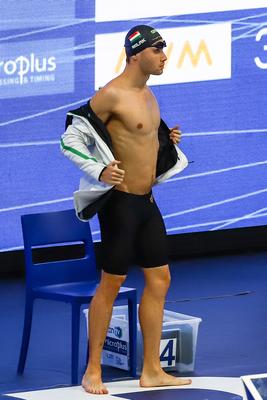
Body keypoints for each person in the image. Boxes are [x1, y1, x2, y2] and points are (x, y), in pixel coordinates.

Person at [61, 25, 190, 395]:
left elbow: (141, 141)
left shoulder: (149, 96)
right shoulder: (112, 94)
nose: (164, 57)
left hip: (147, 202)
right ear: (136, 55)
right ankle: (92, 371)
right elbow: (70, 136)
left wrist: (168, 141)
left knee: (160, 278)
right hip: (119, 205)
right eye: (157, 51)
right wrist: (98, 170)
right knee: (111, 283)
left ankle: (151, 369)